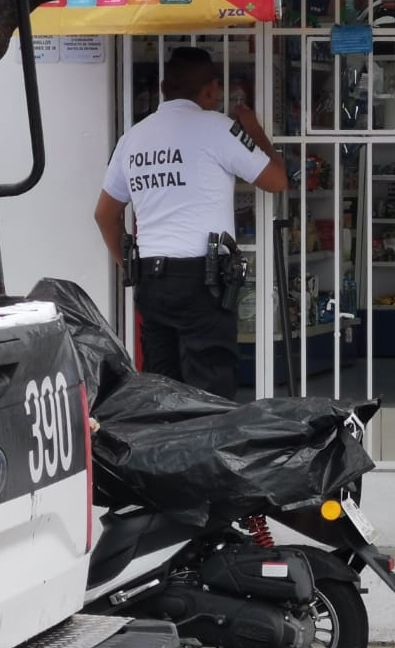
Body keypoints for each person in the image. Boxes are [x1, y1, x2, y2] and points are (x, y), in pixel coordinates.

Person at [94, 46, 288, 400]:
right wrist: (256, 130)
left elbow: (104, 214)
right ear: (211, 90)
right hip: (204, 282)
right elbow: (276, 180)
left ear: (164, 88)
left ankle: (166, 453)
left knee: (162, 391)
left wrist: (131, 266)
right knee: (209, 393)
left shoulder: (134, 137)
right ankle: (206, 456)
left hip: (152, 281)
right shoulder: (218, 128)